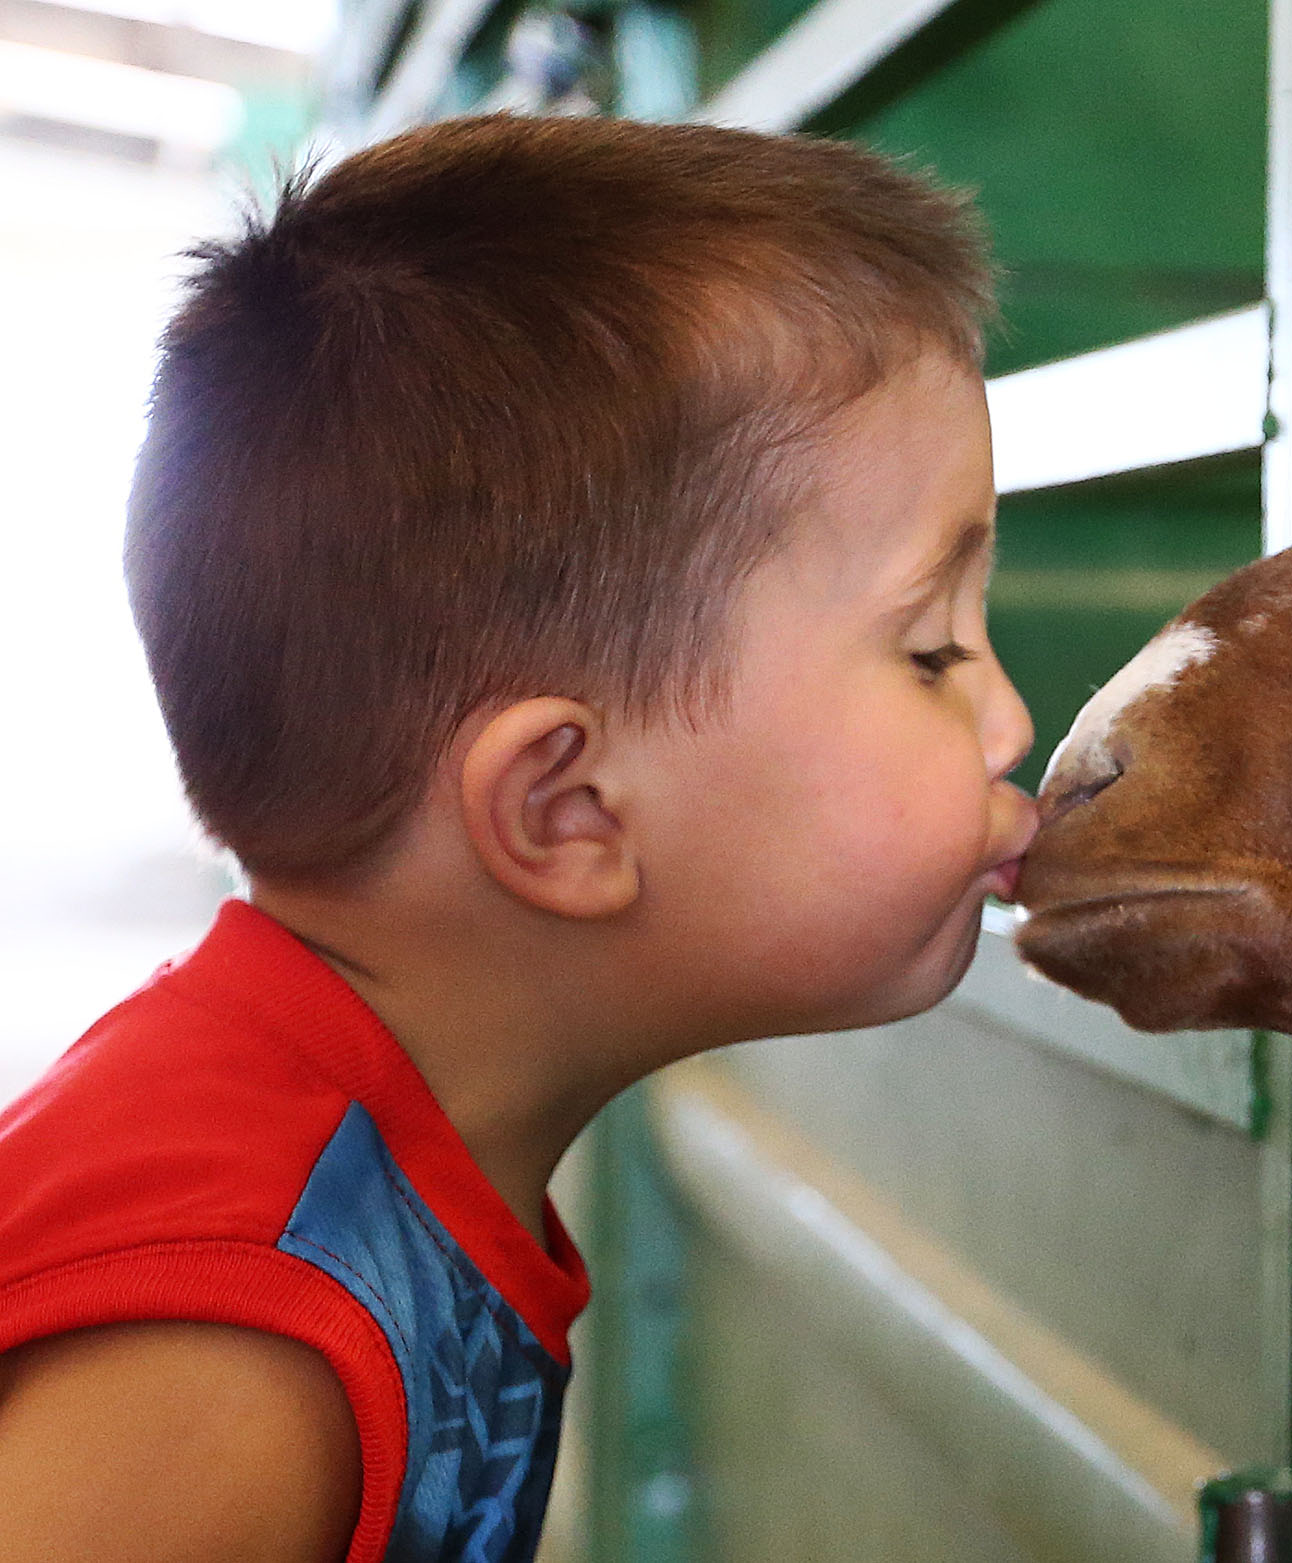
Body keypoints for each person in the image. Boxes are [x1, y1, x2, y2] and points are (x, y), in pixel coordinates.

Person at [0, 116, 1036, 1563]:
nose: (1011, 723)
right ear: (564, 810)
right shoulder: (230, 1353)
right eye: (931, 650)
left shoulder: (350, 1160)